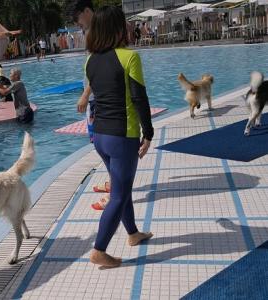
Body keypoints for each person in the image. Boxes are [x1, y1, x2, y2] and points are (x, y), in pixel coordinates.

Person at [85, 6, 153, 268]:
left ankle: (133, 233)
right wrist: (148, 133)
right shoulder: (129, 57)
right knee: (118, 194)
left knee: (121, 189)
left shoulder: (90, 61)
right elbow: (139, 99)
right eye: (123, 24)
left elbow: (98, 98)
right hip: (122, 137)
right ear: (117, 28)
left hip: (100, 137)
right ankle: (99, 250)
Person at [68, 0, 110, 209]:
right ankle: (114, 183)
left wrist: (85, 94)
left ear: (86, 11)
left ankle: (116, 191)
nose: (77, 23)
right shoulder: (93, 30)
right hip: (95, 97)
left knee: (104, 144)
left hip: (97, 98)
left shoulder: (99, 31)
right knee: (100, 143)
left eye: (78, 18)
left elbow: (101, 66)